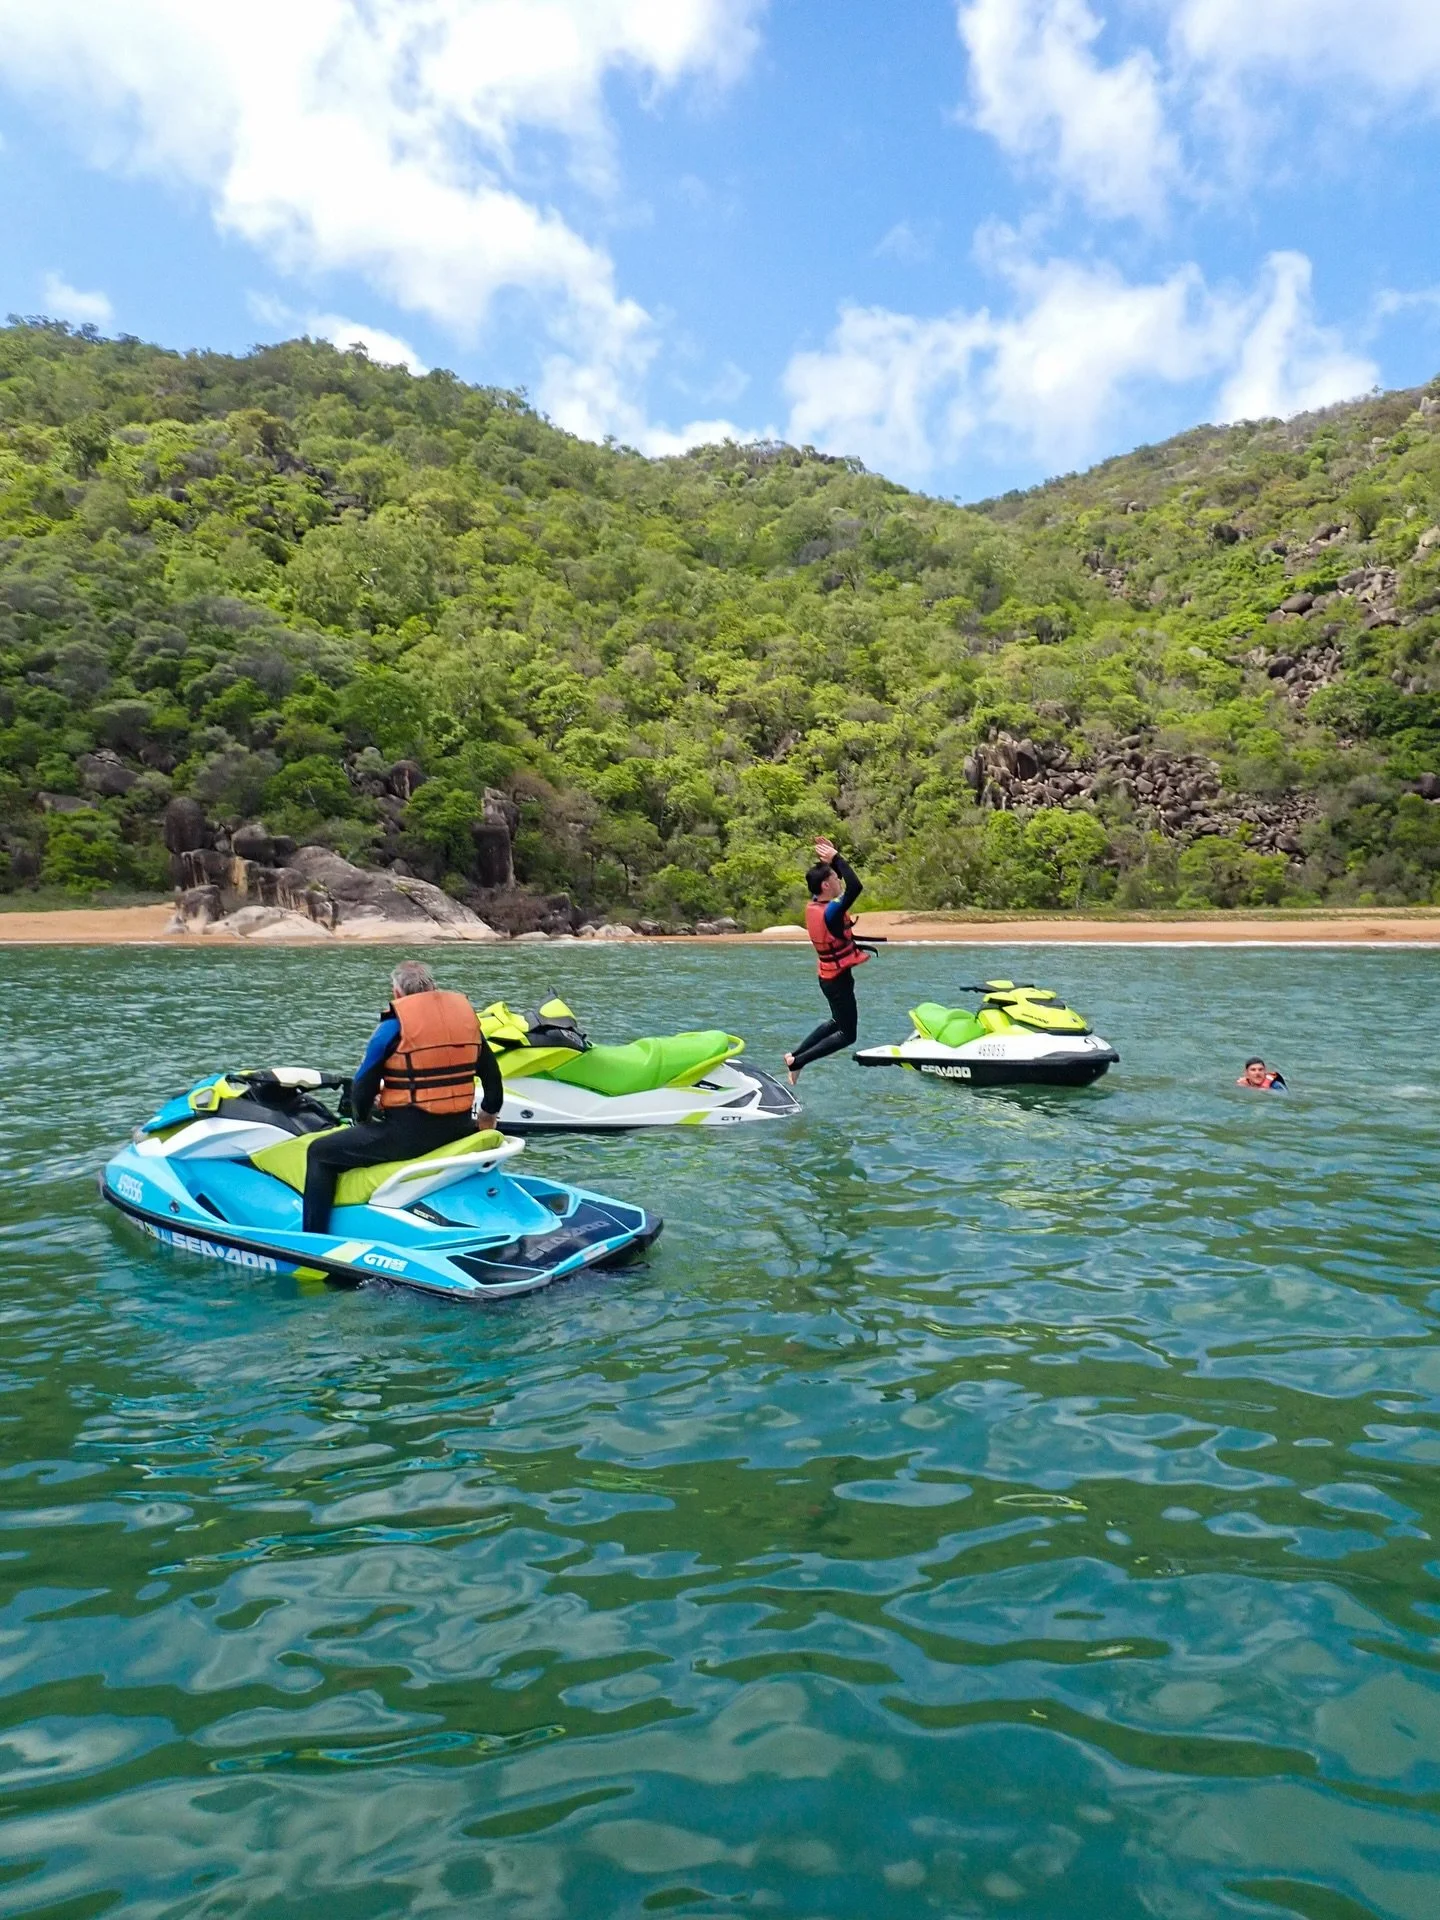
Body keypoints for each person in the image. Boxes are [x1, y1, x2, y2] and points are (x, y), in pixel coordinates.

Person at [302, 960, 505, 1234]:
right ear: (434, 988)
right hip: (459, 1129)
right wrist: (487, 1116)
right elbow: (493, 1082)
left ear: (397, 993)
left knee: (319, 1153)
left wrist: (362, 1119)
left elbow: (362, 1088)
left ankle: (313, 1237)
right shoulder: (467, 1023)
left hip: (408, 1137)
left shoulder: (392, 1027)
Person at [785, 836, 869, 1083]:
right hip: (837, 980)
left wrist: (833, 858)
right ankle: (797, 1062)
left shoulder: (817, 905)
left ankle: (794, 1056)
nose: (838, 880)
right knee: (847, 1034)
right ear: (824, 885)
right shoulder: (831, 911)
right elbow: (855, 887)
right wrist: (836, 858)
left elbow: (843, 882)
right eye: (834, 878)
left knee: (836, 1022)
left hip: (829, 977)